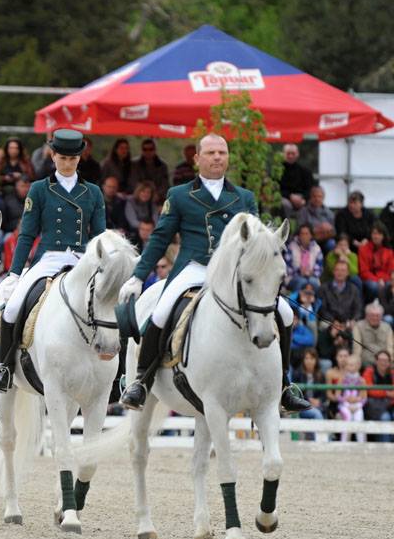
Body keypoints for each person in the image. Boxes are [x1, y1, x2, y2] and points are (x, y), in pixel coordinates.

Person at [118, 133, 310, 412]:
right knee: (161, 312)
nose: (217, 157)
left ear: (228, 157)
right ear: (197, 159)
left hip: (233, 275)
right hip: (194, 268)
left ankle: (284, 385)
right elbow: (160, 238)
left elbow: (256, 240)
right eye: (210, 153)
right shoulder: (180, 195)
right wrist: (137, 276)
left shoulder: (244, 197)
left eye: (222, 152)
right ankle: (142, 381)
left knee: (285, 312)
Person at [0, 129, 106, 392]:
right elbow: (27, 234)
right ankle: (5, 367)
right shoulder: (39, 189)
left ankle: (115, 370)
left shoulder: (93, 192)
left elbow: (99, 236)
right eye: (63, 158)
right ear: (53, 156)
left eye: (73, 159)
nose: (67, 163)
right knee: (13, 307)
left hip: (81, 259)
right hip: (49, 257)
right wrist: (15, 274)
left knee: (107, 305)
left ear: (80, 158)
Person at [362, 350, 394, 442]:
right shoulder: (369, 371)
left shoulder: (392, 373)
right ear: (376, 361)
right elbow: (370, 390)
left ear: (389, 362)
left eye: (386, 360)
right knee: (385, 418)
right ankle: (385, 446)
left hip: (390, 404)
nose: (383, 363)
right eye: (381, 360)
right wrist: (387, 393)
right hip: (374, 406)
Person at [351, 300, 393, 369]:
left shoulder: (387, 327)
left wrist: (390, 359)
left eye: (377, 315)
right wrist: (356, 363)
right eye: (372, 315)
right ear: (367, 316)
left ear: (381, 316)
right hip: (366, 361)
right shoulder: (358, 326)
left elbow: (390, 347)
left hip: (384, 359)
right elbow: (357, 348)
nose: (375, 318)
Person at [358, 223, 394, 300]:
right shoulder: (363, 249)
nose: (376, 236)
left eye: (379, 234)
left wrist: (382, 279)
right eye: (374, 233)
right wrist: (377, 280)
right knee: (374, 286)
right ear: (371, 235)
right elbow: (364, 271)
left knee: (389, 285)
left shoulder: (389, 251)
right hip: (368, 279)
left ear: (383, 236)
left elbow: (390, 271)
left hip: (385, 278)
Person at [284, 223, 324, 292]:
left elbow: (319, 268)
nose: (304, 236)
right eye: (302, 234)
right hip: (293, 277)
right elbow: (287, 267)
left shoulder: (317, 248)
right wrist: (299, 271)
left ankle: (317, 303)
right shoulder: (291, 247)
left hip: (312, 276)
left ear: (311, 235)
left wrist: (312, 272)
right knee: (302, 282)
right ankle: (295, 302)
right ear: (299, 235)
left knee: (314, 283)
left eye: (306, 234)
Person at [279, 143, 314, 217]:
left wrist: (303, 199)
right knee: (285, 204)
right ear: (283, 154)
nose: (290, 156)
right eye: (288, 153)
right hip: (284, 199)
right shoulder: (278, 171)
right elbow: (276, 189)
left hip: (302, 199)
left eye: (293, 153)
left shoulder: (305, 171)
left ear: (297, 154)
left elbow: (310, 189)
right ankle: (286, 227)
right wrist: (290, 196)